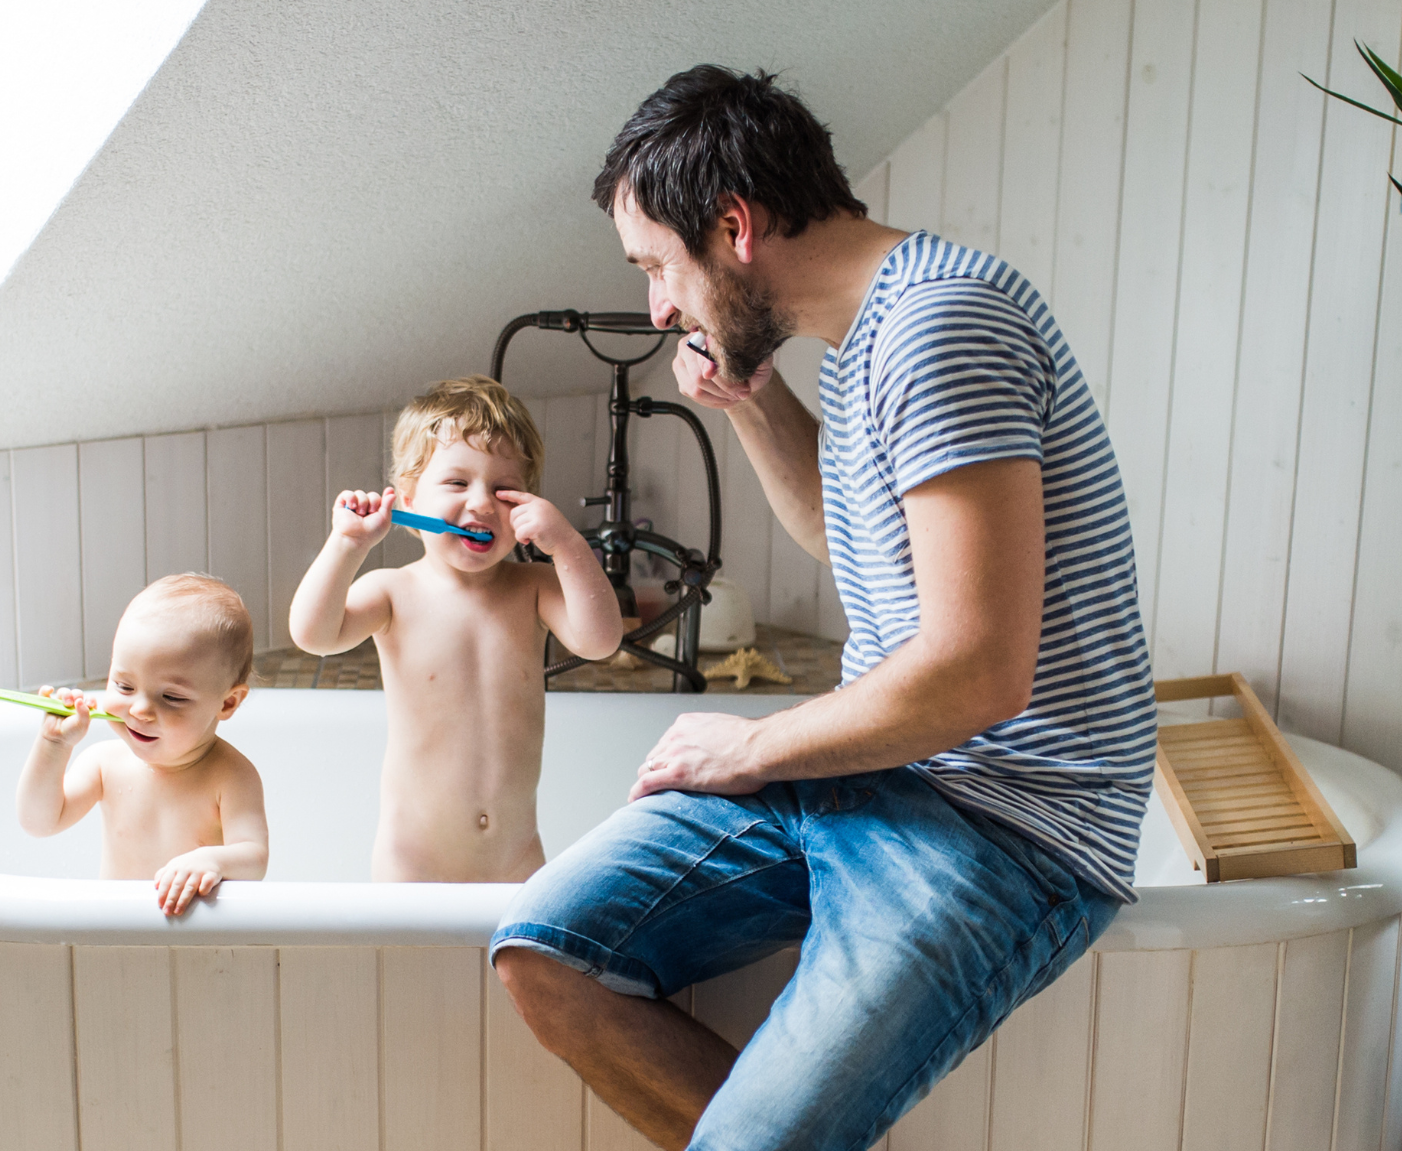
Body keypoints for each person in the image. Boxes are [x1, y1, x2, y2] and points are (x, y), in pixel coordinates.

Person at [491, 66, 1157, 1151]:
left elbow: (979, 670)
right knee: (544, 952)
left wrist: (751, 746)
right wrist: (750, 406)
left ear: (733, 225)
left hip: (1006, 819)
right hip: (883, 765)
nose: (658, 305)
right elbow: (837, 529)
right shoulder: (864, 335)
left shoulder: (941, 327)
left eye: (658, 266)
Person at [288, 376, 623, 881]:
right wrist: (347, 547)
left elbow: (600, 642)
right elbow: (313, 635)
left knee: (521, 959)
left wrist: (568, 546)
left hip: (516, 855)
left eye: (504, 489)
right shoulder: (392, 592)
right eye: (457, 482)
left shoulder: (533, 586)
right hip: (414, 859)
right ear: (407, 499)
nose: (483, 503)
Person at [16, 573, 268, 915]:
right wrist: (53, 746)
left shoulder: (231, 775)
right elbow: (38, 822)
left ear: (227, 703)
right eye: (124, 686)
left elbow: (254, 859)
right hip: (116, 930)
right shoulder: (105, 764)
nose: (140, 710)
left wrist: (212, 860)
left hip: (198, 944)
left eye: (171, 697)